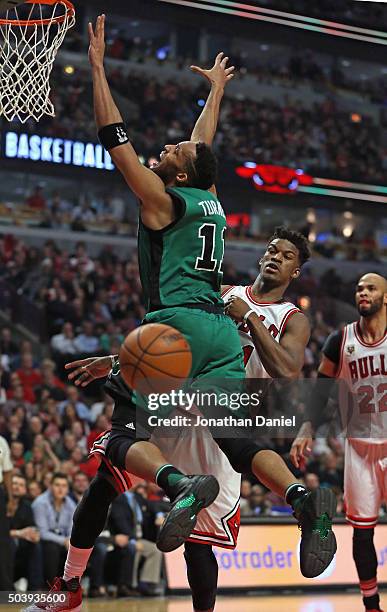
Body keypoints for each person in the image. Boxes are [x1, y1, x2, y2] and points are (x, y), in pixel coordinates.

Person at [27, 18, 335, 612]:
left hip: (172, 329)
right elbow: (204, 143)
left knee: (118, 440)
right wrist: (215, 91)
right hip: (220, 330)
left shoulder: (163, 200)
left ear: (183, 174)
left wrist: (95, 68)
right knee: (240, 441)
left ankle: (166, 492)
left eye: (173, 151)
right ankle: (299, 499)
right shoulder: (209, 198)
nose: (165, 148)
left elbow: (114, 141)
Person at [291, 273, 387, 612]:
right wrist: (307, 428)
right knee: (362, 533)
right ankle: (371, 604)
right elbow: (320, 392)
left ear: (385, 297)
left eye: (371, 288)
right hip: (360, 448)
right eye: (359, 287)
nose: (362, 292)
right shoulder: (339, 340)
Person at [32, 473, 76, 583]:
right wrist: (64, 541)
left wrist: (70, 541)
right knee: (52, 548)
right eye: (57, 485)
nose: (60, 489)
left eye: (64, 486)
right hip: (44, 541)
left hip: (64, 540)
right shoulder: (40, 503)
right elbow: (42, 532)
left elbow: (72, 528)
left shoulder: (71, 504)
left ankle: (71, 587)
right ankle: (50, 586)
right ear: (50, 486)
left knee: (77, 549)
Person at [0, 434, 15, 590]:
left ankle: (4, 587)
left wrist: (10, 498)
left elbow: (7, 471)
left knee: (2, 542)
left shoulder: (1, 441)